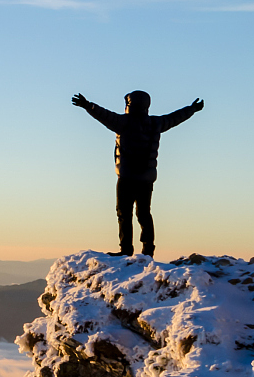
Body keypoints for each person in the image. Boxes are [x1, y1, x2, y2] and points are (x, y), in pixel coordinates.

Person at [72, 90, 204, 257]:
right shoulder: (156, 123)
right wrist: (192, 109)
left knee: (123, 213)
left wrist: (87, 105)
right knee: (144, 213)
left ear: (129, 104)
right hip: (146, 178)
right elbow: (174, 118)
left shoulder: (123, 122)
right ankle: (148, 250)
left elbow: (104, 115)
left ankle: (126, 250)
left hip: (126, 176)